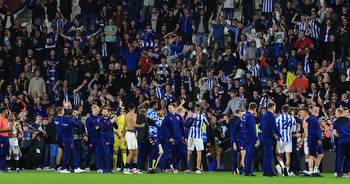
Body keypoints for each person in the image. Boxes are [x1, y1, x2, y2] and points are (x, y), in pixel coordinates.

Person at [299, 107, 323, 176]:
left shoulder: (312, 119)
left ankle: (314, 170)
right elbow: (310, 132)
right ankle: (311, 170)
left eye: (302, 112)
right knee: (311, 155)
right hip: (312, 139)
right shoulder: (310, 120)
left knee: (319, 154)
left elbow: (315, 130)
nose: (301, 114)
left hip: (314, 139)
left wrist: (318, 138)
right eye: (314, 110)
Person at [123, 103, 145, 174]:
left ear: (129, 109)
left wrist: (123, 136)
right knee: (132, 152)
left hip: (129, 134)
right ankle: (126, 169)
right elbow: (133, 124)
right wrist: (141, 126)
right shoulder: (133, 115)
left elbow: (124, 126)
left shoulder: (126, 115)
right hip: (131, 134)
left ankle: (134, 169)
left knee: (136, 152)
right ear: (134, 108)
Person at [275, 104, 296, 176]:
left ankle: (283, 167)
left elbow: (275, 128)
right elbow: (294, 130)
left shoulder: (278, 118)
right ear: (288, 110)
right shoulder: (292, 118)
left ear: (281, 110)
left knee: (278, 155)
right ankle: (287, 170)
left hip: (280, 138)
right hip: (288, 139)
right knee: (288, 156)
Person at [187, 104, 208, 174]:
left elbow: (187, 124)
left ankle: (190, 168)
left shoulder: (192, 115)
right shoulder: (202, 116)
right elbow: (208, 123)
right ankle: (197, 169)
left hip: (192, 134)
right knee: (197, 151)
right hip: (197, 134)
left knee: (191, 151)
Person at [260, 102, 279, 176]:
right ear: (273, 107)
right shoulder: (271, 116)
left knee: (268, 155)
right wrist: (277, 135)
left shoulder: (264, 115)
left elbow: (260, 126)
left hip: (264, 137)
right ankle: (267, 172)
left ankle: (269, 171)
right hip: (269, 138)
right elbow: (273, 127)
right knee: (268, 155)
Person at [98, 107, 117, 173]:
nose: (105, 113)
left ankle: (110, 168)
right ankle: (105, 169)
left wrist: (114, 121)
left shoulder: (110, 119)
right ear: (102, 113)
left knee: (111, 154)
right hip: (104, 139)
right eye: (104, 112)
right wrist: (110, 122)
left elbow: (116, 127)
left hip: (111, 139)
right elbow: (103, 128)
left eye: (106, 112)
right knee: (106, 153)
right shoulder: (100, 120)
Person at [85, 105, 103, 173]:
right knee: (90, 153)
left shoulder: (99, 118)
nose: (97, 110)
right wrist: (95, 128)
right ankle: (86, 166)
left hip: (99, 138)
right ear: (92, 109)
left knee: (99, 153)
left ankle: (99, 168)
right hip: (92, 139)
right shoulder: (89, 118)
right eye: (96, 109)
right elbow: (88, 130)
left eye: (98, 109)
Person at [242, 102, 258, 176]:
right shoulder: (250, 117)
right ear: (254, 109)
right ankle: (249, 172)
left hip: (245, 137)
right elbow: (252, 128)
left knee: (247, 154)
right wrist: (256, 138)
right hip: (250, 138)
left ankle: (246, 171)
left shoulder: (244, 115)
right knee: (250, 155)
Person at [333, 108, 350, 177]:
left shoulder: (336, 122)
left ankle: (338, 173)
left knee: (339, 157)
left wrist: (339, 136)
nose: (335, 114)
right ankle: (346, 172)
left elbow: (334, 133)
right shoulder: (349, 120)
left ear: (339, 113)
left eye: (335, 113)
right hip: (349, 140)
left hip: (341, 141)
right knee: (349, 157)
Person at [229, 109, 243, 175]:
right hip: (237, 140)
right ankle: (236, 169)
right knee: (238, 155)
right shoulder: (236, 120)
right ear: (239, 113)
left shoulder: (233, 120)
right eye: (241, 113)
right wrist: (234, 142)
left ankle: (235, 170)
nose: (242, 114)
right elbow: (233, 132)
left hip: (236, 139)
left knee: (236, 155)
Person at [0, 108, 11, 172]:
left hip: (6, 138)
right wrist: (7, 130)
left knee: (5, 153)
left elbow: (6, 130)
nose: (8, 112)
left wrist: (8, 131)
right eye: (7, 111)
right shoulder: (0, 119)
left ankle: (4, 168)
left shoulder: (6, 120)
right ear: (3, 112)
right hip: (1, 137)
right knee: (1, 153)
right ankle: (1, 168)